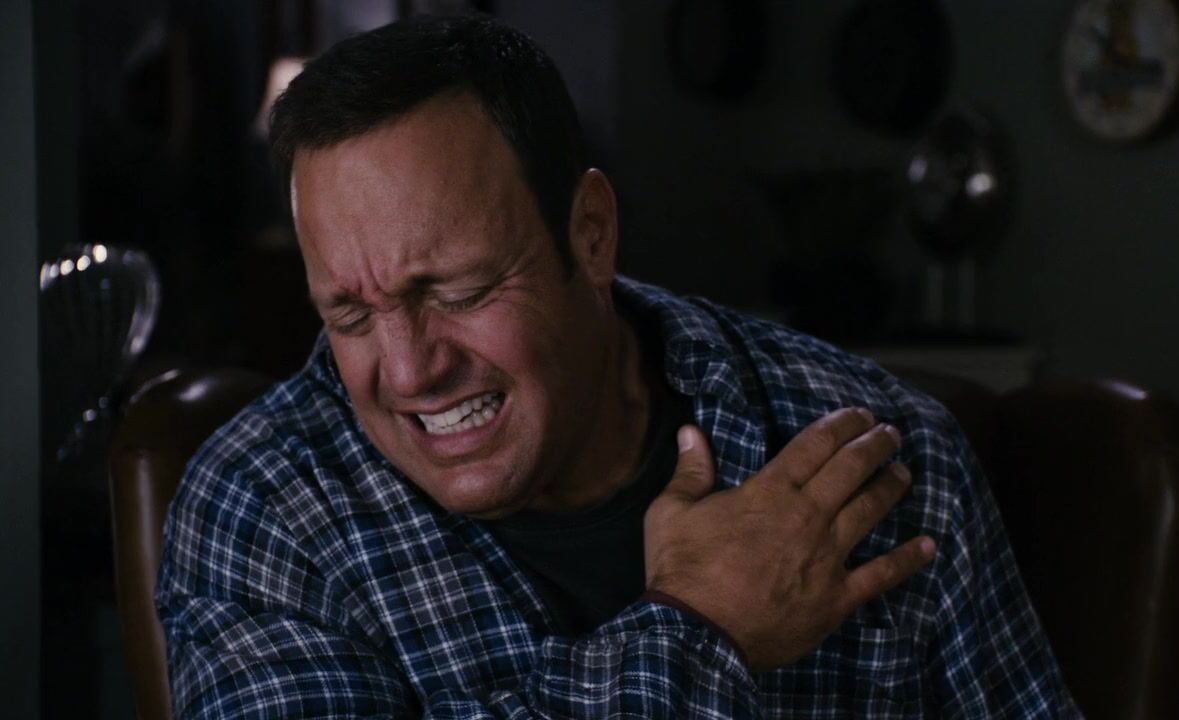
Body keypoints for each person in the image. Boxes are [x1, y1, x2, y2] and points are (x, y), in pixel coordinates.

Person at [157, 14, 1079, 718]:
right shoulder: (262, 504)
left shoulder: (888, 455)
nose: (407, 374)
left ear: (590, 234)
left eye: (458, 290)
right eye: (351, 315)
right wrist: (698, 627)